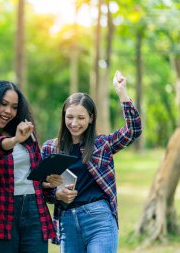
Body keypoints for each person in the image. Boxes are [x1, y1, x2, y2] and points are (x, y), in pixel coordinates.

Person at [41, 71, 142, 253]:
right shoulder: (50, 148)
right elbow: (39, 188)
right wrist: (57, 195)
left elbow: (133, 130)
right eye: (69, 117)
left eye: (81, 118)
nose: (74, 123)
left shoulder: (102, 145)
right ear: (63, 116)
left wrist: (122, 94)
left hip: (99, 220)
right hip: (67, 223)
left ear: (91, 118)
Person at [0, 81, 61, 253]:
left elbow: (34, 178)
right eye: (3, 104)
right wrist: (14, 140)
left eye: (14, 107)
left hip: (34, 212)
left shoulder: (28, 139)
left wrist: (47, 184)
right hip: (2, 215)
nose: (8, 111)